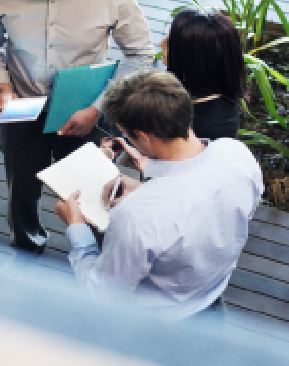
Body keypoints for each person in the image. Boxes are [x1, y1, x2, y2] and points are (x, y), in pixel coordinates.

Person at [0, 0, 154, 255]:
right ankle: (27, 247)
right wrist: (3, 86)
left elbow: (141, 53)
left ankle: (102, 261)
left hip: (87, 109)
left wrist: (97, 108)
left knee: (96, 193)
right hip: (22, 107)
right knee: (21, 191)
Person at [54, 70, 263, 320]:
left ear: (142, 135)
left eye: (127, 134)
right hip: (213, 300)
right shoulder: (237, 155)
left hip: (156, 325)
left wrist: (77, 228)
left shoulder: (136, 216)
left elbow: (103, 295)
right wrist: (145, 189)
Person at [158, 9, 244, 140]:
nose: (160, 44)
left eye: (169, 43)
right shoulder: (198, 88)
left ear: (191, 58)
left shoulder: (208, 130)